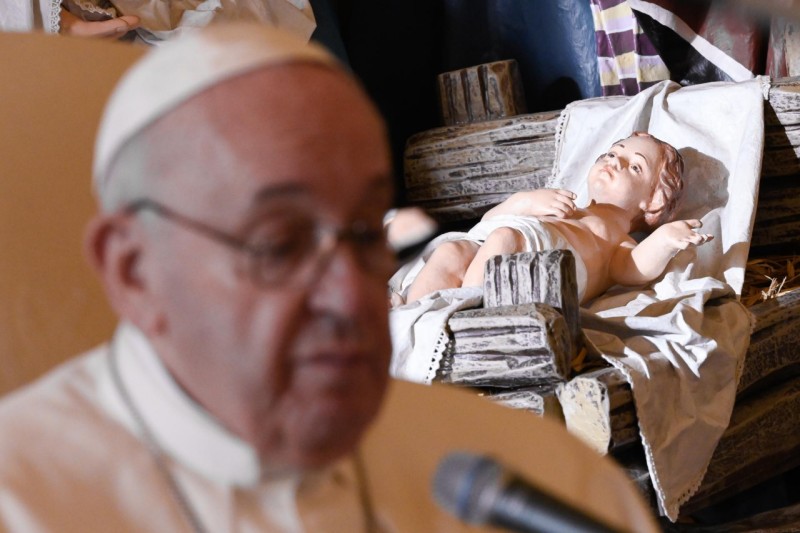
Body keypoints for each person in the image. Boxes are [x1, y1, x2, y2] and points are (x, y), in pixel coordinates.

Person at [0, 25, 661, 532]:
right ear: (136, 269)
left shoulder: (543, 486)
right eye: (281, 243)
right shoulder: (27, 501)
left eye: (365, 232)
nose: (351, 294)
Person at [403, 132, 714, 304]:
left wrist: (664, 240)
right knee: (452, 250)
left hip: (546, 273)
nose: (615, 161)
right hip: (505, 242)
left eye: (635, 167)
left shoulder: (617, 240)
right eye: (612, 153)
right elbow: (486, 223)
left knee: (504, 238)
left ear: (653, 200)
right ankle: (411, 316)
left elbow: (634, 268)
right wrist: (523, 201)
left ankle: (461, 316)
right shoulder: (567, 205)